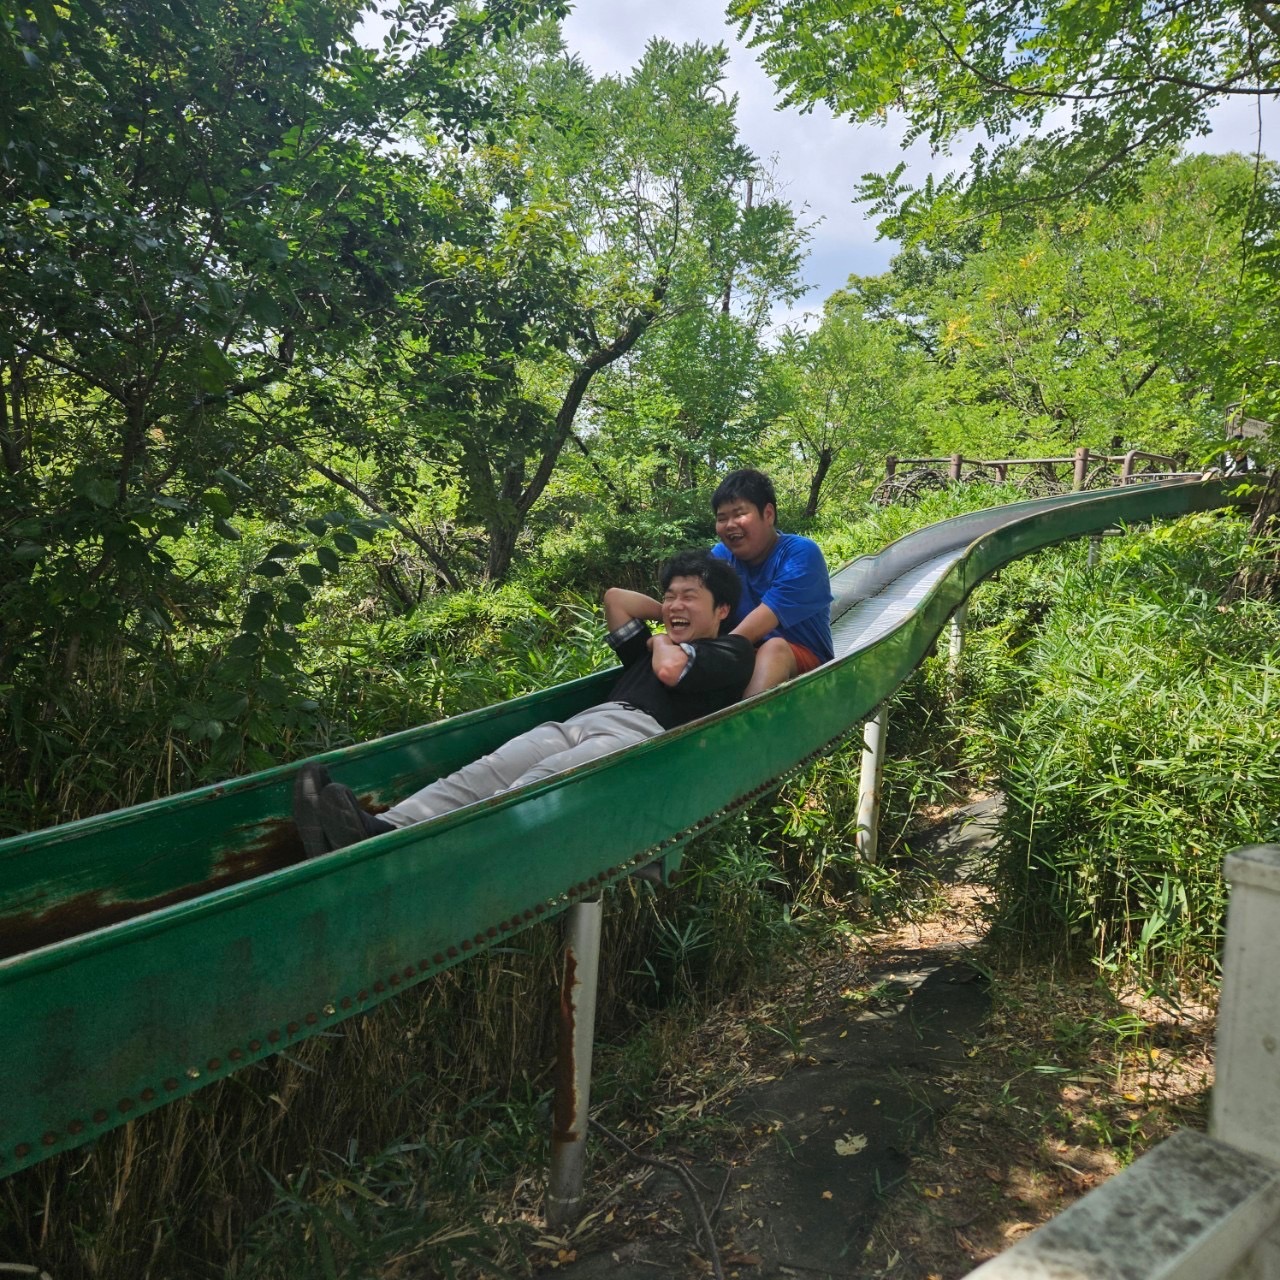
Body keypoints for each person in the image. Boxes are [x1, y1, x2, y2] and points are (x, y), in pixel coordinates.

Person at [293, 550, 755, 857]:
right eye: (670, 594)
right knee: (482, 772)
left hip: (637, 737)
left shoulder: (731, 652)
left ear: (722, 610)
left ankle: (418, 852)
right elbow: (616, 600)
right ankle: (380, 829)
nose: (675, 603)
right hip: (580, 722)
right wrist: (669, 614)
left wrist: (661, 641)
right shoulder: (659, 642)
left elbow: (672, 670)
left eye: (690, 597)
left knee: (530, 786)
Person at [709, 469, 833, 697]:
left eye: (739, 514)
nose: (729, 525)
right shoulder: (721, 557)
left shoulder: (800, 553)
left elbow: (763, 621)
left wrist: (711, 658)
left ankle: (739, 725)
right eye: (721, 518)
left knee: (774, 648)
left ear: (768, 514)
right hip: (743, 655)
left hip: (805, 663)